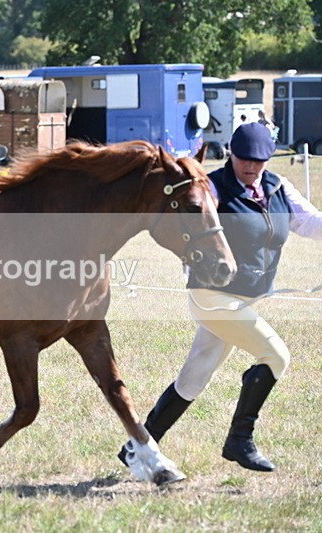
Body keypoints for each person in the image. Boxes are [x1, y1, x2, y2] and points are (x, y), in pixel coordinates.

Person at [119, 122, 322, 473]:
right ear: (231, 152)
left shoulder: (277, 187)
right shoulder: (211, 186)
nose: (250, 166)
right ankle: (239, 441)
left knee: (193, 378)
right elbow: (180, 221)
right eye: (244, 158)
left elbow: (308, 222)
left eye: (259, 161)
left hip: (243, 299)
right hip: (212, 296)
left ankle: (137, 447)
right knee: (275, 356)